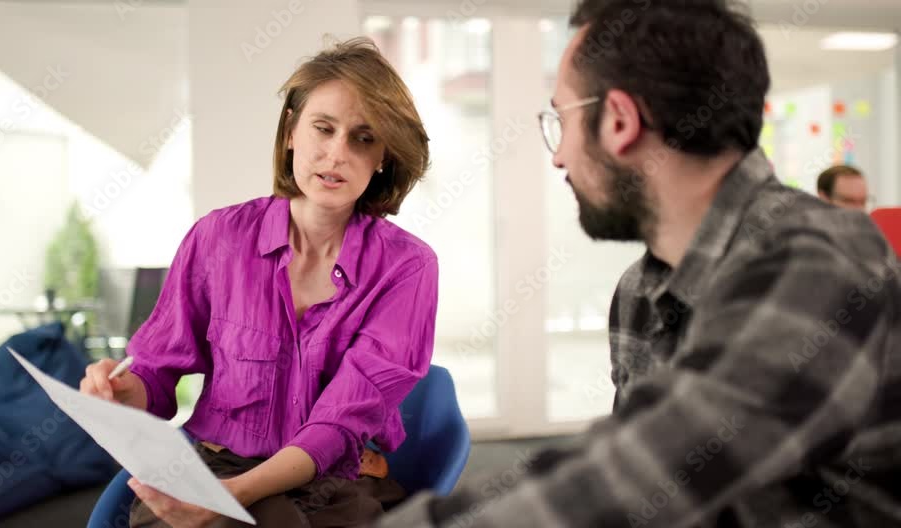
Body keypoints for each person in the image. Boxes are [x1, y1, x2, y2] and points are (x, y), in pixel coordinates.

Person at [375, 0, 901, 526]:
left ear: (621, 122)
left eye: (562, 120)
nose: (558, 156)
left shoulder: (819, 259)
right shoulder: (639, 291)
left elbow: (641, 474)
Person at [80, 37, 438, 528]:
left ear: (383, 157)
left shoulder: (408, 267)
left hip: (337, 478)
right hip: (216, 463)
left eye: (363, 137)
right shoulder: (218, 239)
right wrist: (122, 393)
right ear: (291, 131)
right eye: (323, 128)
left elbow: (339, 423)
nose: (336, 153)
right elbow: (157, 372)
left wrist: (233, 497)